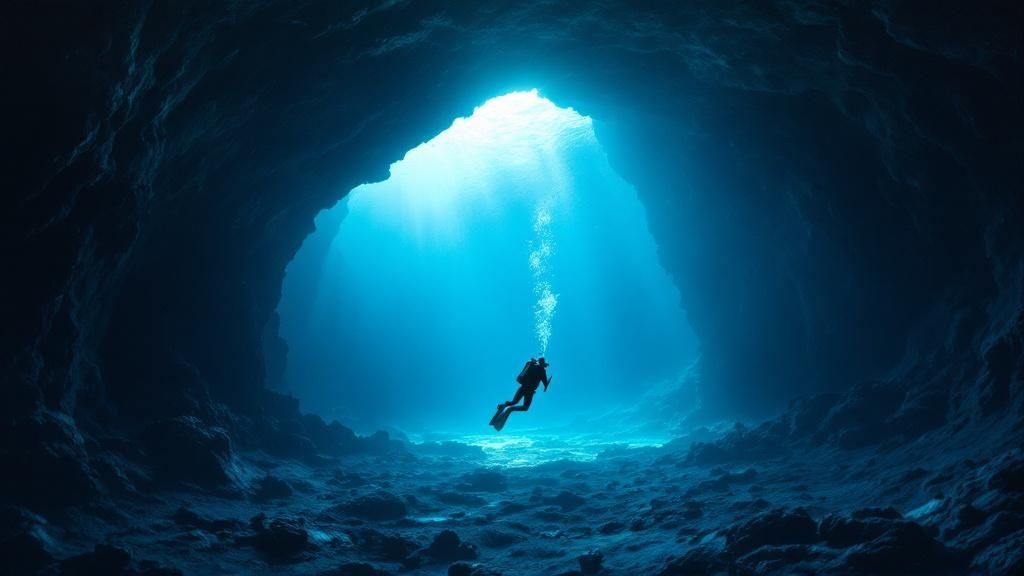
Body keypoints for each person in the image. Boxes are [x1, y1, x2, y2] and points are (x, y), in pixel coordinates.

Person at [490, 357, 551, 431]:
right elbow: (545, 384)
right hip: (529, 391)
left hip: (522, 388)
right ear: (543, 362)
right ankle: (510, 409)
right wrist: (547, 383)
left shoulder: (531, 365)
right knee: (525, 408)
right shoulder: (542, 370)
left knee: (513, 402)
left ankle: (502, 407)